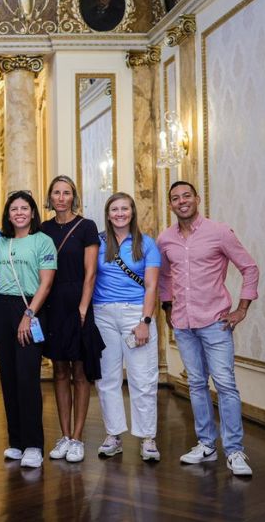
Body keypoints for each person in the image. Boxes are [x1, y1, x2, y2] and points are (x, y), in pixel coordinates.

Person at [158, 181, 258, 476]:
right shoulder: (165, 239)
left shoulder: (219, 232)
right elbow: (164, 278)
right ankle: (206, 444)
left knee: (225, 385)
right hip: (183, 324)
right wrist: (167, 309)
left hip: (215, 322)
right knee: (197, 385)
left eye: (186, 196)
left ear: (197, 199)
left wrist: (241, 309)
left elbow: (249, 268)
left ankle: (235, 451)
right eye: (175, 198)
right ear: (171, 205)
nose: (181, 201)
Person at [92, 193, 161, 462]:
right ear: (108, 215)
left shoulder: (147, 244)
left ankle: (147, 438)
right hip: (103, 314)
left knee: (142, 379)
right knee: (107, 378)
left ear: (132, 213)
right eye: (114, 209)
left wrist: (145, 321)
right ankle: (113, 436)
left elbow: (152, 286)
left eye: (125, 208)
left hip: (136, 314)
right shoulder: (97, 242)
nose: (120, 213)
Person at [40, 175, 103, 463]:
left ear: (73, 197)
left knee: (80, 373)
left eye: (67, 193)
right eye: (57, 193)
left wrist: (83, 307)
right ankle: (64, 436)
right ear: (50, 197)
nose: (61, 197)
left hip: (78, 302)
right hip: (51, 304)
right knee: (60, 371)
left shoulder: (87, 227)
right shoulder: (43, 229)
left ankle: (78, 438)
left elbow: (91, 272)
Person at [0, 191, 57, 469]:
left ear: (33, 212)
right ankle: (16, 442)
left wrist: (29, 314)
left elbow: (46, 283)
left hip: (30, 306)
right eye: (14, 208)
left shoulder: (43, 241)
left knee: (27, 377)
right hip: (2, 308)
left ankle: (34, 444)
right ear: (8, 214)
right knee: (7, 377)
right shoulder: (1, 241)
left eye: (24, 208)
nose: (19, 212)